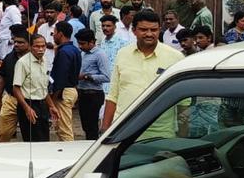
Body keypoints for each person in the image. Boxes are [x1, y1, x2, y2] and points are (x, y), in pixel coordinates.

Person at [102, 10, 185, 138]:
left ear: (159, 30)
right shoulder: (123, 54)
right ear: (134, 31)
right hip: (122, 130)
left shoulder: (175, 57)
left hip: (160, 134)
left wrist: (183, 138)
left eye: (154, 30)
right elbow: (113, 95)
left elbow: (183, 103)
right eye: (144, 30)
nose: (149, 34)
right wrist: (105, 129)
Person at [12, 34, 55, 143]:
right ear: (30, 47)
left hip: (42, 105)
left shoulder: (44, 61)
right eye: (37, 46)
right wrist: (27, 108)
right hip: (28, 104)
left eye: (43, 46)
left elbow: (43, 88)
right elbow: (16, 88)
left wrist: (51, 106)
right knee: (32, 142)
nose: (41, 49)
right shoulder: (23, 63)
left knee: (44, 140)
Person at [74, 29, 111, 141]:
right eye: (79, 43)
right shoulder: (82, 53)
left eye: (82, 44)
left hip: (94, 95)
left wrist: (87, 77)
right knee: (85, 126)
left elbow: (106, 77)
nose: (80, 46)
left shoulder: (100, 55)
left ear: (91, 42)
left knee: (92, 127)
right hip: (82, 93)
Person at [0, 26, 30, 142]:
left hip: (29, 100)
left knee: (30, 135)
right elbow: (2, 78)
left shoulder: (34, 59)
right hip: (11, 99)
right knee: (3, 133)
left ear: (29, 44)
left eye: (21, 42)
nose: (16, 45)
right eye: (15, 42)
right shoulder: (9, 57)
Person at [49, 21, 81, 142]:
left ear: (60, 34)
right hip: (71, 89)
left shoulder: (64, 52)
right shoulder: (74, 49)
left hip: (63, 92)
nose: (53, 35)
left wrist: (53, 99)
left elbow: (60, 78)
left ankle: (70, 151)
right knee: (61, 127)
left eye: (54, 32)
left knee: (64, 129)